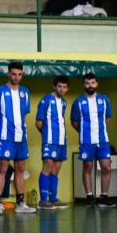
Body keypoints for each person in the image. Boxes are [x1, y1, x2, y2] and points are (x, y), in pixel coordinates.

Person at [0, 62, 36, 215]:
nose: (17, 77)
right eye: (14, 74)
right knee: (2, 168)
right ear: (8, 74)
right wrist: (2, 132)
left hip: (21, 137)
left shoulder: (25, 92)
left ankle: (21, 203)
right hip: (5, 138)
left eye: (19, 74)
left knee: (20, 169)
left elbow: (23, 115)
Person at [71, 73, 116, 208]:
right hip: (86, 141)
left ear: (96, 84)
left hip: (102, 140)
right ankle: (89, 196)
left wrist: (98, 130)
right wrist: (85, 132)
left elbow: (107, 118)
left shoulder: (104, 99)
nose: (90, 85)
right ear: (84, 85)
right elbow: (74, 122)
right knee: (88, 167)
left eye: (92, 83)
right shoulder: (78, 102)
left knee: (106, 167)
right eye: (87, 83)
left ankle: (103, 197)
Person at [36, 76, 70, 210]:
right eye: (59, 86)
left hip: (62, 141)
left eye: (64, 87)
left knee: (56, 169)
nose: (62, 89)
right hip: (50, 140)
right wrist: (47, 136)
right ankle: (43, 200)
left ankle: (53, 199)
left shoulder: (64, 103)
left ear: (68, 88)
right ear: (54, 87)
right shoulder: (46, 100)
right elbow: (38, 123)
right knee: (48, 165)